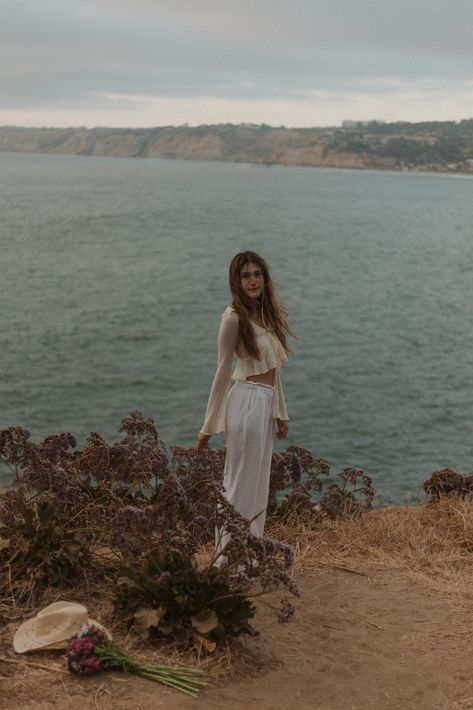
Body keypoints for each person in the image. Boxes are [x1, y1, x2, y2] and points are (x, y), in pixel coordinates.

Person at [197, 251, 294, 549]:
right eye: (245, 275)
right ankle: (227, 559)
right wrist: (208, 426)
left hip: (264, 404)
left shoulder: (264, 315)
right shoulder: (233, 319)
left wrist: (281, 411)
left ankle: (251, 556)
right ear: (235, 282)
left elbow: (273, 371)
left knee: (258, 486)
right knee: (239, 484)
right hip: (247, 402)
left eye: (257, 274)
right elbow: (222, 373)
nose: (253, 280)